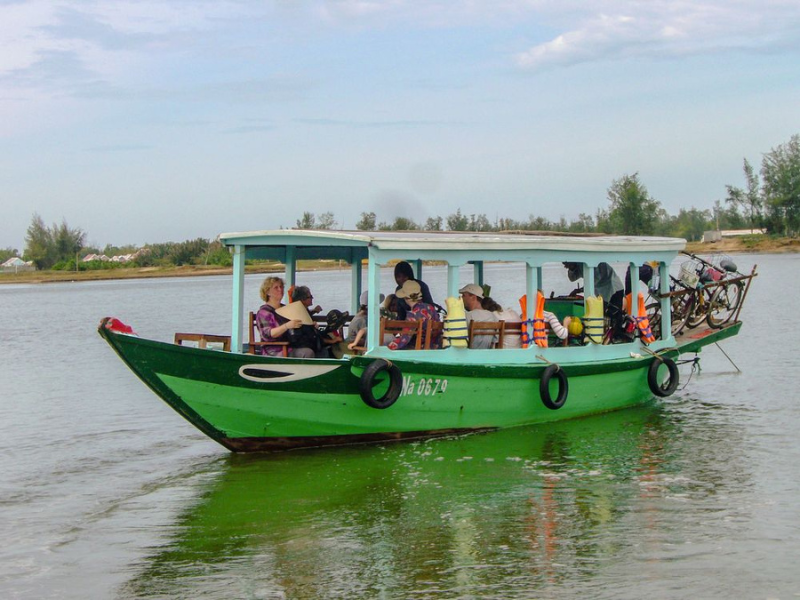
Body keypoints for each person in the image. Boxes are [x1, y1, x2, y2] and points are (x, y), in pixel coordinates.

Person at [255, 276, 315, 358]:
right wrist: (287, 326)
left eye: (281, 287)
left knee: (320, 349)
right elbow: (267, 334)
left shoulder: (286, 308)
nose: (280, 289)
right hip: (274, 350)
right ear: (268, 292)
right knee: (307, 353)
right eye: (276, 288)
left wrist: (309, 325)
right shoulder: (264, 312)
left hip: (293, 345)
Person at [388, 280, 441, 350]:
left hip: (418, 349)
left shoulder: (412, 315)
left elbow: (404, 339)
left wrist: (387, 347)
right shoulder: (430, 308)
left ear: (406, 298)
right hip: (433, 347)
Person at [459, 284, 500, 349]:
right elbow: (495, 340)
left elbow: (459, 339)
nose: (461, 298)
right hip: (487, 356)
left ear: (473, 297)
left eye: (464, 295)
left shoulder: (467, 316)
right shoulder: (492, 316)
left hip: (469, 356)